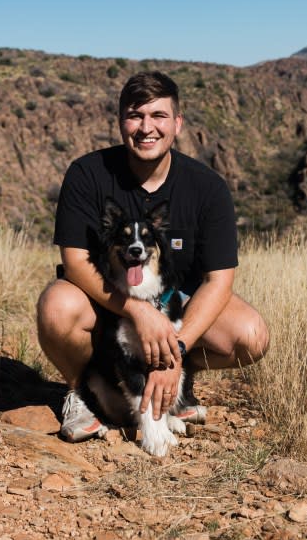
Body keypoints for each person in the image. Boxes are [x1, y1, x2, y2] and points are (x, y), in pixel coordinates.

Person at [36, 70, 269, 442]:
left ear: (177, 123)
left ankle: (174, 386)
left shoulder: (207, 188)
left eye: (158, 116)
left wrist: (173, 350)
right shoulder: (87, 174)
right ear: (120, 122)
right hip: (105, 306)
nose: (147, 127)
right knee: (56, 306)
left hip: (175, 310)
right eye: (135, 115)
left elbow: (219, 281)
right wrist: (137, 311)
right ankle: (83, 392)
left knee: (250, 334)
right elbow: (76, 261)